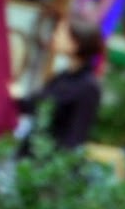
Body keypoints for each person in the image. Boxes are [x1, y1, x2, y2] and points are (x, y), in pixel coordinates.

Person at [16, 15, 103, 154]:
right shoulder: (63, 77)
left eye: (61, 33)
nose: (54, 36)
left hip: (48, 164)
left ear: (76, 43)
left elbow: (75, 138)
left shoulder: (88, 87)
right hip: (31, 154)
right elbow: (35, 105)